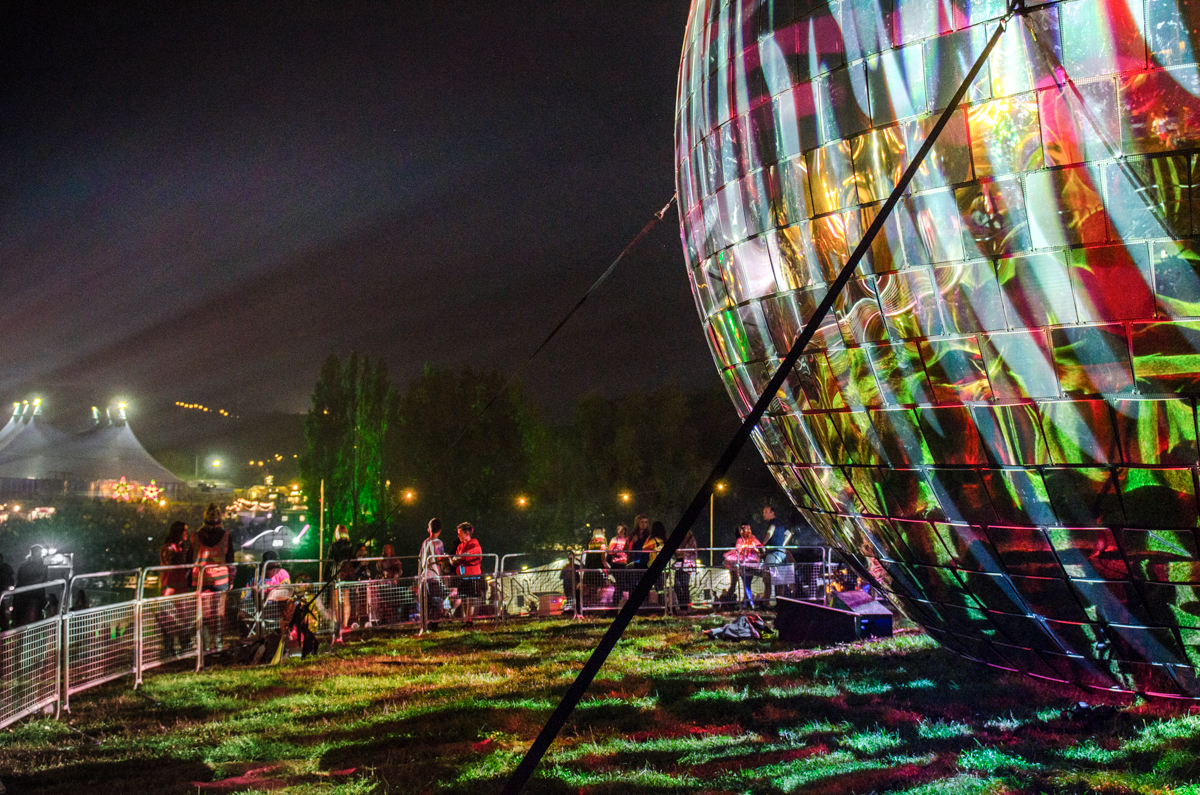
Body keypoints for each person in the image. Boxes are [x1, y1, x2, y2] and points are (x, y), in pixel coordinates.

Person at [192, 504, 230, 652]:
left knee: (204, 615)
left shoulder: (196, 536)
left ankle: (205, 645)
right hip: (220, 580)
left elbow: (190, 559)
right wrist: (232, 580)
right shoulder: (225, 536)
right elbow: (231, 560)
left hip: (201, 580)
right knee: (218, 614)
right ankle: (218, 645)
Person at [451, 522, 483, 626]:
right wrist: (453, 561)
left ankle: (470, 620)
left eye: (459, 533)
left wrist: (462, 557)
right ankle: (465, 619)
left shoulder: (474, 543)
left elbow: (476, 554)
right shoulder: (460, 546)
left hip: (472, 575)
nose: (458, 535)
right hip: (463, 575)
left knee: (471, 599)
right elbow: (458, 559)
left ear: (466, 533)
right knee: (464, 598)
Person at [418, 519, 446, 628]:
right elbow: (439, 558)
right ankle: (434, 624)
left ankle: (426, 623)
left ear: (429, 529)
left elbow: (420, 557)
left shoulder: (425, 542)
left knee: (427, 602)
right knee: (436, 601)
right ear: (440, 530)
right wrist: (447, 558)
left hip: (425, 575)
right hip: (434, 575)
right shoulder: (438, 542)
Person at [12, 545, 48, 627]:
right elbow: (19, 578)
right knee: (21, 617)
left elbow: (42, 578)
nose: (37, 553)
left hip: (34, 594)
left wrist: (28, 585)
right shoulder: (24, 564)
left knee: (32, 618)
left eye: (38, 551)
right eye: (35, 551)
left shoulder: (42, 564)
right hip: (24, 594)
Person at [159, 521, 193, 596]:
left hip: (181, 589)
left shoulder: (181, 548)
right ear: (178, 532)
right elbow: (173, 564)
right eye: (184, 530)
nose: (187, 533)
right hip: (169, 589)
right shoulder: (169, 548)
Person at [580, 529, 609, 611]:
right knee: (598, 589)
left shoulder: (590, 544)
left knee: (590, 589)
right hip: (598, 570)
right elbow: (603, 558)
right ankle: (597, 607)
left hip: (589, 570)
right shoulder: (602, 545)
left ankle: (589, 607)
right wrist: (607, 568)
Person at [673, 529, 698, 612]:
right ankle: (682, 605)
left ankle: (685, 607)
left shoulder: (691, 539)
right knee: (676, 586)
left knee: (684, 586)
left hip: (687, 564)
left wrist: (682, 552)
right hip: (678, 563)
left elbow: (692, 552)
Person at [0, 553, 14, 631]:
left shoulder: (5, 568)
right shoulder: (6, 568)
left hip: (4, 594)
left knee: (4, 613)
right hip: (4, 594)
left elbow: (10, 580)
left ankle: (5, 631)